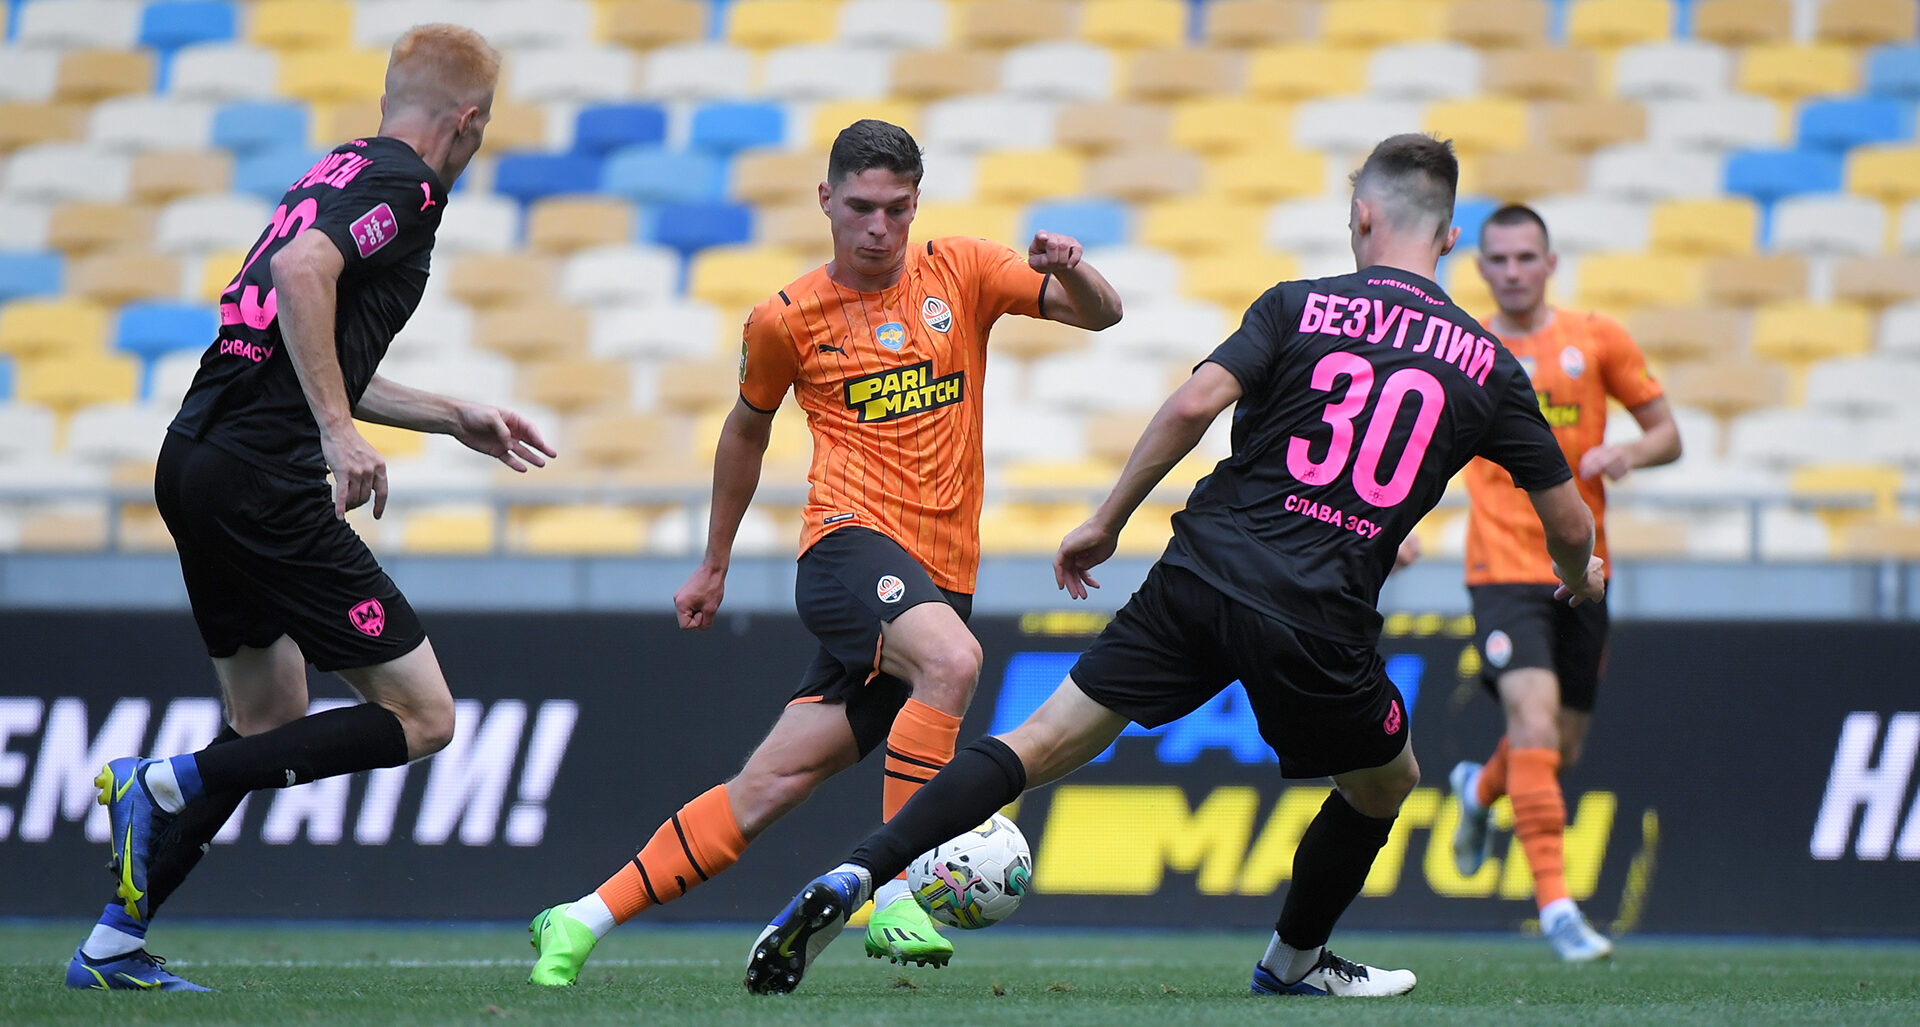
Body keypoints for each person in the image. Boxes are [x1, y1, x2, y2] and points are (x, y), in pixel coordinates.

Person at [744, 133, 1608, 999]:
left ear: (1362, 217)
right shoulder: (1488, 363)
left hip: (1201, 569)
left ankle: (861, 874)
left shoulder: (1295, 304)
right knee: (1388, 781)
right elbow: (1566, 519)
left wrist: (1106, 520)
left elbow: (1196, 402)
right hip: (1318, 611)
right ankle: (1295, 959)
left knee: (1038, 741)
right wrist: (1577, 574)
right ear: (1452, 237)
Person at [525, 119, 1121, 986]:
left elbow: (1102, 316)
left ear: (917, 204)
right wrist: (714, 560)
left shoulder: (962, 269)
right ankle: (900, 892)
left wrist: (1071, 265)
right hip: (845, 552)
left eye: (896, 209)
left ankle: (579, 916)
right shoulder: (787, 318)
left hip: (935, 581)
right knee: (954, 662)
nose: (878, 227)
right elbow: (744, 432)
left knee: (770, 784)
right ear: (826, 201)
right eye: (860, 208)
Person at [70, 25, 554, 993]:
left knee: (268, 714)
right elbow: (302, 283)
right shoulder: (411, 190)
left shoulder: (333, 172)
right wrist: (336, 429)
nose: (478, 144)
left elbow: (303, 325)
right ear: (466, 121)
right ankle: (160, 782)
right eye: (484, 127)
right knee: (425, 716)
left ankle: (113, 942)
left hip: (196, 458)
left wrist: (448, 414)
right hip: (262, 480)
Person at [1439, 203, 1680, 962]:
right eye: (1498, 260)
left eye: (1525, 258)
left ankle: (1479, 791)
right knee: (1537, 727)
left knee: (1558, 747)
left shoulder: (1597, 338)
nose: (1512, 272)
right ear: (1480, 269)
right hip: (1501, 569)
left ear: (1550, 262)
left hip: (1584, 567)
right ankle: (1557, 908)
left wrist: (1629, 456)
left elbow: (1668, 431)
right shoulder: (1462, 345)